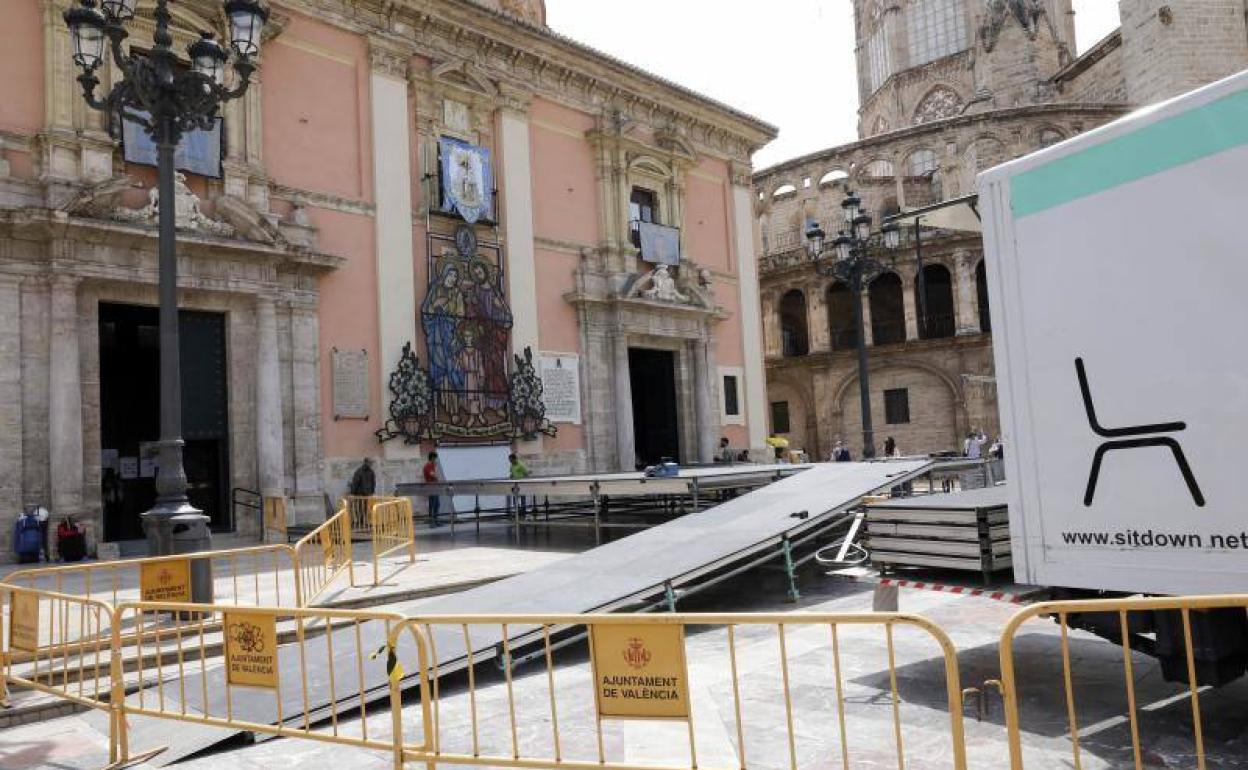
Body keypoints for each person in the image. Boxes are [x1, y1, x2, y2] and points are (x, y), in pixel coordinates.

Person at [423, 451, 442, 527]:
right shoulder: (428, 466)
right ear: (432, 458)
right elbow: (434, 475)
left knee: (437, 504)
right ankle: (432, 522)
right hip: (431, 487)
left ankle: (436, 521)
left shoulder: (433, 466)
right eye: (435, 458)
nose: (436, 460)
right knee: (432, 504)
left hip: (435, 487)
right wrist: (436, 472)